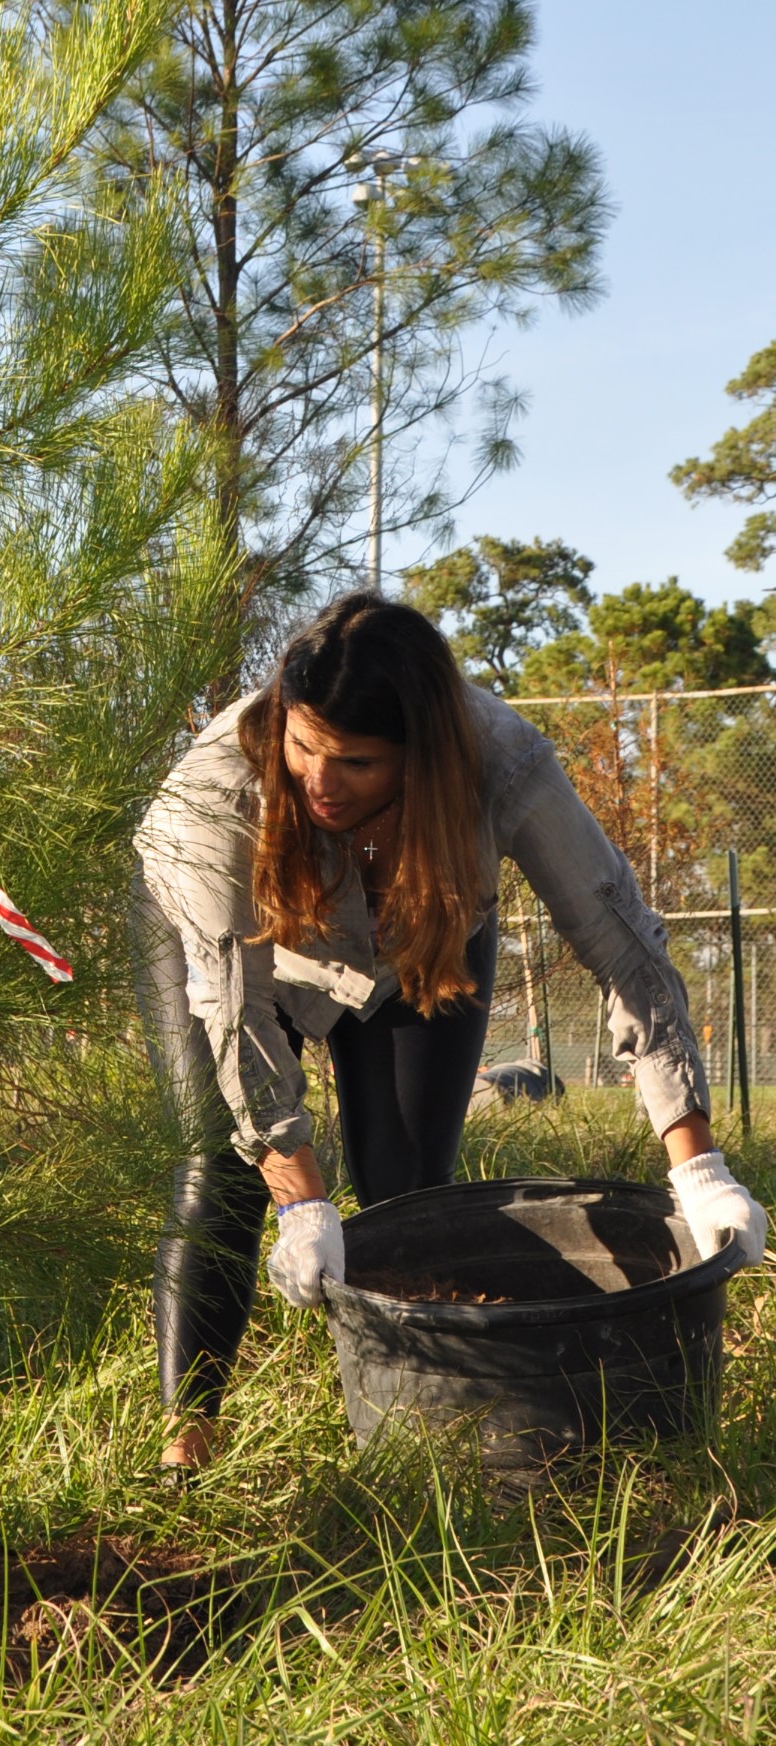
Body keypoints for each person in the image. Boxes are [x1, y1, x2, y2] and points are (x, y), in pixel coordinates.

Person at [132, 593, 769, 1472]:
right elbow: (236, 1014)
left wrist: (698, 1169)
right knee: (221, 1173)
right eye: (305, 745)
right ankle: (187, 1443)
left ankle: (419, 1424)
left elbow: (626, 945)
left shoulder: (501, 763)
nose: (319, 780)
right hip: (243, 949)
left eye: (355, 761)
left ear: (419, 755)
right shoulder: (214, 800)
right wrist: (304, 1202)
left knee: (408, 1191)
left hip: (415, 932)